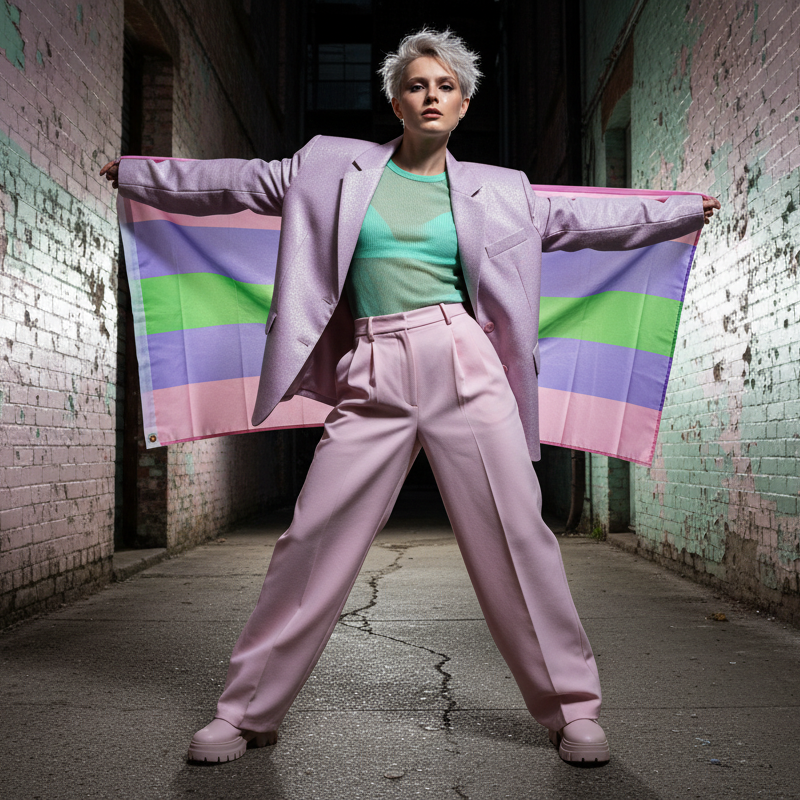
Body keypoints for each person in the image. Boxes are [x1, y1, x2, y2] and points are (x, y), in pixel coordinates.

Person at [101, 28, 719, 766]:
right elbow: (242, 180)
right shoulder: (332, 166)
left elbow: (582, 219)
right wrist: (143, 176)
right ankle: (245, 713)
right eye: (418, 85)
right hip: (373, 367)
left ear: (464, 104)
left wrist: (679, 211)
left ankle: (571, 711)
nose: (432, 96)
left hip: (465, 363)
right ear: (396, 101)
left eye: (446, 86)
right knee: (312, 538)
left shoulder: (503, 190)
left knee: (518, 538)